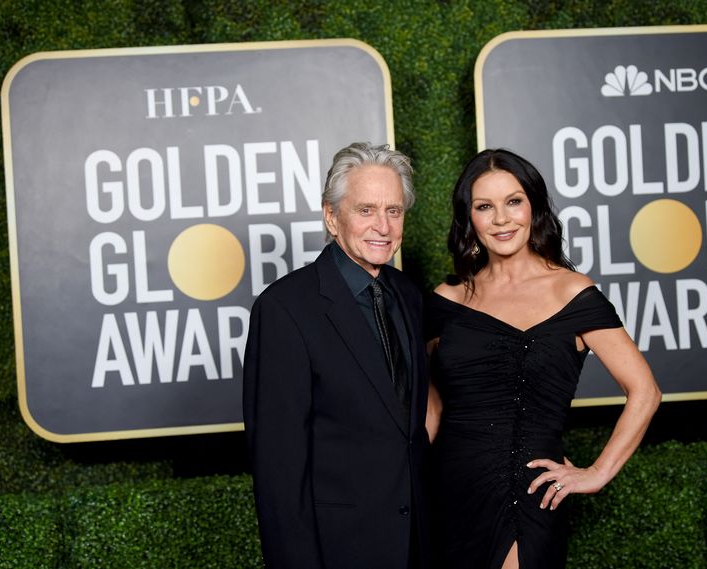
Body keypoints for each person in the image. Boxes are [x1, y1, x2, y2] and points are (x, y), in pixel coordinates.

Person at [426, 148, 661, 569]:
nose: (501, 219)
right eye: (485, 206)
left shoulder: (571, 293)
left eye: (513, 201)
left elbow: (645, 391)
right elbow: (432, 411)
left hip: (527, 495)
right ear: (469, 218)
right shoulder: (447, 300)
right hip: (446, 491)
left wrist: (598, 471)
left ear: (533, 206)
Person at [243, 142, 430, 569]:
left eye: (394, 211)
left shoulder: (408, 295)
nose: (382, 226)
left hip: (416, 544)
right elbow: (278, 470)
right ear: (332, 216)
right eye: (365, 210)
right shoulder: (285, 309)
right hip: (340, 550)